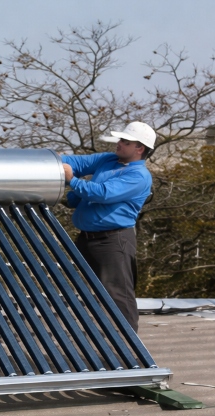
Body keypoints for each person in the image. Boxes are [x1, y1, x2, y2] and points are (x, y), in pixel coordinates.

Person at [62, 121, 156, 332]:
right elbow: (76, 162)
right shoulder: (109, 159)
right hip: (88, 239)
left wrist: (72, 181)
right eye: (121, 139)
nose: (119, 143)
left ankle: (128, 344)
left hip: (112, 241)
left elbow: (102, 193)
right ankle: (109, 336)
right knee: (95, 291)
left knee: (118, 294)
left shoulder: (139, 176)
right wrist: (49, 160)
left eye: (126, 141)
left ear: (139, 148)